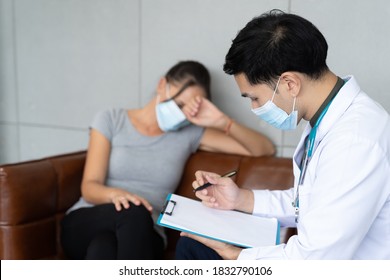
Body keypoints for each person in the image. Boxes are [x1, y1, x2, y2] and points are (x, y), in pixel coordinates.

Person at [175, 10, 390, 260]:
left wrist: (235, 256)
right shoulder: (326, 119)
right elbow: (310, 202)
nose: (255, 108)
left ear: (290, 83)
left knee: (196, 248)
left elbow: (315, 260)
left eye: (255, 98)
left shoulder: (355, 139)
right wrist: (239, 198)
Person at [60, 60, 275, 260]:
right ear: (162, 84)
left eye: (189, 109)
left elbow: (263, 148)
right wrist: (119, 196)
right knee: (132, 213)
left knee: (103, 247)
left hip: (146, 232)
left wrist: (222, 121)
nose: (181, 114)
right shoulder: (111, 120)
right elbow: (89, 187)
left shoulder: (189, 133)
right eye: (179, 104)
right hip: (88, 219)